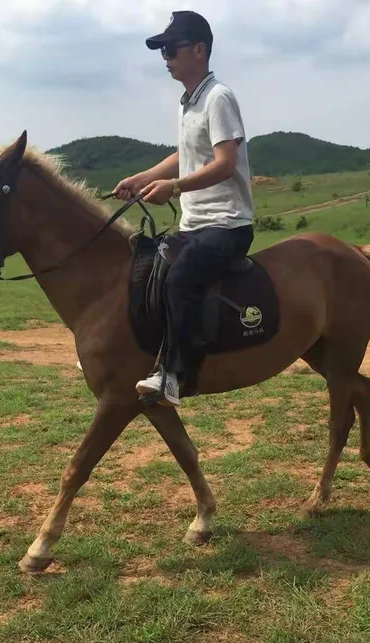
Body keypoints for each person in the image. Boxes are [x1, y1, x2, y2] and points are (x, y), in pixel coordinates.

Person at [113, 11, 254, 407]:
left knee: (180, 279)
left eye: (171, 49)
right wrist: (142, 178)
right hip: (194, 224)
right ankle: (137, 356)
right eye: (162, 50)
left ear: (198, 50)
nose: (165, 57)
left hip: (226, 224)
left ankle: (175, 374)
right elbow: (185, 155)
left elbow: (225, 162)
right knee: (148, 271)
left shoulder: (218, 97)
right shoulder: (188, 103)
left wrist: (173, 188)